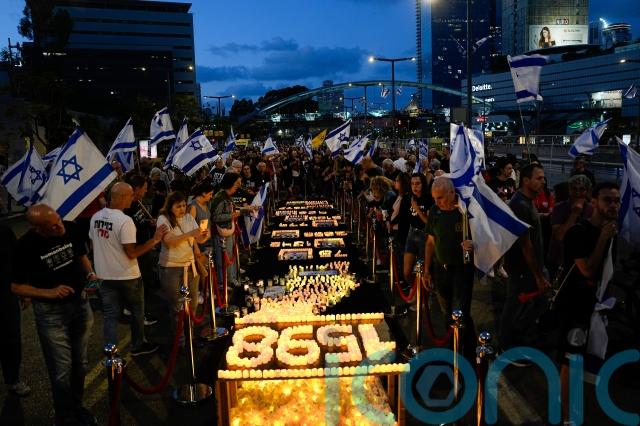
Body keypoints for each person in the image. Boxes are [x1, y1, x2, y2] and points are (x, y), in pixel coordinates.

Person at [11, 205, 96, 425]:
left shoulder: (71, 228)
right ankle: (64, 417)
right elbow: (16, 286)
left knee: (80, 363)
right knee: (61, 369)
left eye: (59, 220)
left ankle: (78, 407)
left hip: (80, 303)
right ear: (38, 229)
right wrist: (48, 292)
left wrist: (91, 275)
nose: (59, 227)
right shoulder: (25, 246)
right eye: (53, 226)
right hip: (51, 314)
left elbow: (81, 256)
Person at [556, 182, 620, 425]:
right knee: (570, 362)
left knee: (581, 361)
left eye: (616, 200)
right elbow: (588, 271)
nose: (613, 205)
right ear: (594, 201)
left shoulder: (611, 233)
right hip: (575, 309)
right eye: (607, 200)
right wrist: (603, 238)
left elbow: (607, 273)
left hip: (594, 309)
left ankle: (568, 403)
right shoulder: (578, 232)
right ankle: (566, 418)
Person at [90, 182, 168, 356]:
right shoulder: (125, 221)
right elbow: (132, 253)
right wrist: (155, 240)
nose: (133, 198)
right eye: (131, 195)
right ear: (122, 197)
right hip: (127, 275)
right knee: (137, 311)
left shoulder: (96, 217)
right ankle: (138, 345)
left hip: (104, 275)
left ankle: (111, 354)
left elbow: (94, 244)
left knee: (110, 316)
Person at [500, 164, 552, 352]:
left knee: (539, 301)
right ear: (526, 180)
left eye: (543, 178)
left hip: (530, 267)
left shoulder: (526, 201)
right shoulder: (520, 205)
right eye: (539, 178)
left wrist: (542, 217)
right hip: (523, 269)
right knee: (514, 307)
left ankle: (521, 334)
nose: (543, 182)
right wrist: (539, 276)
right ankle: (507, 345)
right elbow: (525, 245)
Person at [423, 177, 476, 357]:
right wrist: (427, 270)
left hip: (462, 270)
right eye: (434, 198)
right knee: (446, 311)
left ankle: (468, 351)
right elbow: (430, 241)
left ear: (452, 193)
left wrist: (473, 244)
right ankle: (453, 345)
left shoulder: (465, 210)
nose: (437, 202)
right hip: (441, 268)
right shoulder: (434, 211)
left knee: (461, 312)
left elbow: (482, 236)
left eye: (440, 198)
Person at [157, 191, 208, 339]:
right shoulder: (163, 219)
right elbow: (169, 241)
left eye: (184, 205)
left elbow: (198, 240)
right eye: (178, 206)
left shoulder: (188, 217)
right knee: (177, 306)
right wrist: (191, 233)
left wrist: (203, 235)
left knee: (193, 303)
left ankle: (190, 335)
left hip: (190, 265)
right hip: (171, 268)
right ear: (170, 206)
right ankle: (180, 340)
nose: (182, 209)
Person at [123, 174, 159, 325]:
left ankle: (134, 308)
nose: (145, 191)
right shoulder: (126, 206)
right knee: (138, 282)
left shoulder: (137, 203)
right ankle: (137, 313)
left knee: (143, 280)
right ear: (136, 188)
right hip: (137, 249)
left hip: (145, 246)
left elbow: (139, 221)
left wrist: (148, 222)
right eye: (144, 188)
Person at [1, 225, 30, 397]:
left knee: (11, 338)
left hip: (6, 295)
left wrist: (24, 290)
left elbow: (17, 260)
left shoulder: (3, 231)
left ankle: (12, 379)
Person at [548, 175, 593, 277]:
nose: (578, 193)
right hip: (559, 260)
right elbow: (559, 236)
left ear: (587, 191)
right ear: (569, 190)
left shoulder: (591, 210)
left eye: (582, 189)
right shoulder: (559, 208)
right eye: (574, 189)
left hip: (582, 261)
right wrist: (574, 214)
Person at [210, 173, 243, 287]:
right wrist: (233, 215)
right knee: (223, 258)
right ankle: (223, 282)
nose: (238, 186)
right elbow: (215, 217)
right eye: (236, 183)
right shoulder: (220, 198)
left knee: (230, 256)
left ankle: (231, 278)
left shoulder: (226, 196)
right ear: (230, 183)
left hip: (229, 230)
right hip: (222, 233)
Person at [404, 173, 432, 283]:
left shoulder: (429, 199)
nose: (414, 187)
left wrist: (417, 209)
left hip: (424, 234)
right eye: (412, 184)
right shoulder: (409, 198)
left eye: (417, 184)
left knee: (423, 271)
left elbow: (428, 222)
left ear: (423, 184)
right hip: (411, 232)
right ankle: (413, 288)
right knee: (407, 272)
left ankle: (422, 291)